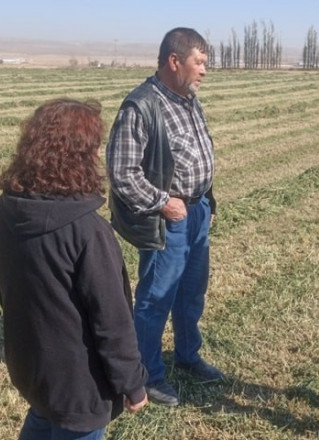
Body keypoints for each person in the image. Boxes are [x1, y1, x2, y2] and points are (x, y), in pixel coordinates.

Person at [0, 98, 148, 440]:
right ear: (81, 156)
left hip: (33, 369)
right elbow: (112, 322)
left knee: (43, 418)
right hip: (80, 386)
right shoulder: (88, 232)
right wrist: (133, 384)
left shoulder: (1, 212)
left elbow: (3, 290)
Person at [106, 27, 222, 407]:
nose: (205, 70)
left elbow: (194, 154)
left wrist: (207, 201)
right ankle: (148, 374)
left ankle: (188, 356)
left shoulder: (187, 99)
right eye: (199, 62)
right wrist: (163, 203)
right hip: (167, 217)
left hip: (196, 211)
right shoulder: (140, 106)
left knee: (191, 293)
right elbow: (123, 173)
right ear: (175, 61)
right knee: (155, 298)